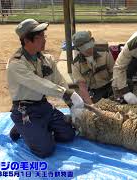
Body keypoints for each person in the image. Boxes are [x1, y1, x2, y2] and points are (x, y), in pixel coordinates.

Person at [7, 19, 84, 158]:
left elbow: (59, 81)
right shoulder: (16, 64)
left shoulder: (46, 59)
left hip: (43, 106)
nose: (44, 40)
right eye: (39, 37)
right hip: (24, 110)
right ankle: (22, 127)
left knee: (69, 135)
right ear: (26, 40)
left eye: (44, 36)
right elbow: (38, 84)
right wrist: (66, 94)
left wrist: (70, 101)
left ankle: (35, 130)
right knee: (45, 150)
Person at [71, 31, 115, 104]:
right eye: (84, 48)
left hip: (109, 86)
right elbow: (83, 88)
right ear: (78, 49)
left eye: (89, 45)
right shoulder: (76, 64)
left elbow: (114, 73)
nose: (88, 49)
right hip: (95, 91)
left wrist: (119, 92)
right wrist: (92, 107)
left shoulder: (105, 52)